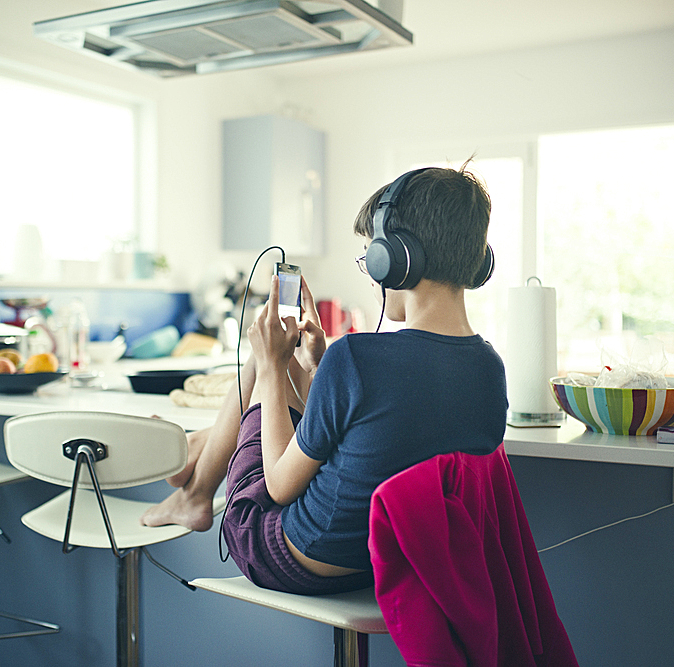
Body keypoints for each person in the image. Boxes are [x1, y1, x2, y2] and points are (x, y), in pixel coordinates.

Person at [141, 165, 508, 595]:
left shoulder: (356, 357)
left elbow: (277, 487)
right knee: (288, 357)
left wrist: (274, 366)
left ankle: (196, 489)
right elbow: (364, 439)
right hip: (391, 564)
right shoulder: (490, 367)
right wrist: (318, 369)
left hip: (292, 559)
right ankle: (199, 462)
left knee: (264, 359)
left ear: (393, 261)